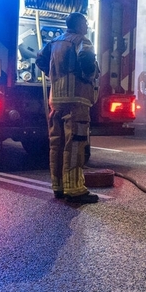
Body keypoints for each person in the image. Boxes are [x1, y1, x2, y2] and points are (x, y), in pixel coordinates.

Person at [36, 11, 101, 204]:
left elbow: (40, 59)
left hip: (56, 100)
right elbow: (88, 63)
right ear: (79, 25)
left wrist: (54, 74)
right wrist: (88, 75)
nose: (87, 27)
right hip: (77, 101)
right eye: (86, 24)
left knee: (56, 143)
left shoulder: (54, 42)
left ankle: (59, 186)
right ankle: (74, 189)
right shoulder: (83, 41)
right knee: (75, 144)